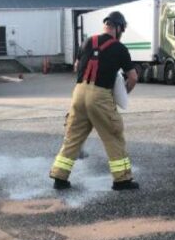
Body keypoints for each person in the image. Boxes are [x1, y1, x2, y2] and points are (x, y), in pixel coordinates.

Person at [49, 11, 139, 191]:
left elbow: (76, 66)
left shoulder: (88, 41)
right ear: (119, 28)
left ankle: (60, 177)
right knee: (113, 136)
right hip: (100, 96)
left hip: (79, 92)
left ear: (106, 25)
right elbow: (133, 77)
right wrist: (121, 94)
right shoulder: (119, 48)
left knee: (73, 137)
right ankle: (122, 180)